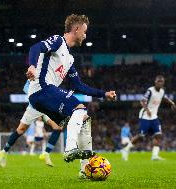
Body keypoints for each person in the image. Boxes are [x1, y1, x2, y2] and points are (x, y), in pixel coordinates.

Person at [25, 14, 116, 165]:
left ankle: (85, 168)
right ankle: (70, 149)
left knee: (84, 118)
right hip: (41, 89)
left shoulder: (69, 58)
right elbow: (36, 47)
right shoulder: (58, 41)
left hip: (44, 95)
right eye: (84, 31)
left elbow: (78, 86)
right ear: (76, 29)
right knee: (79, 108)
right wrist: (32, 66)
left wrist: (104, 94)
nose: (85, 36)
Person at [0, 80, 63, 168]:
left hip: (45, 107)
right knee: (20, 130)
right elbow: (25, 88)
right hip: (34, 107)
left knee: (58, 127)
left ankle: (46, 153)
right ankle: (4, 151)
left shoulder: (50, 74)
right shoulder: (35, 72)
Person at [130, 75, 176, 160]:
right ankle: (126, 149)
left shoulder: (162, 91)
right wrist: (147, 109)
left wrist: (172, 103)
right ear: (155, 82)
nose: (160, 83)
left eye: (161, 81)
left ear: (163, 83)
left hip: (154, 116)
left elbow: (165, 98)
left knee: (158, 135)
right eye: (158, 81)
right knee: (141, 136)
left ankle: (154, 156)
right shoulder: (150, 90)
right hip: (145, 115)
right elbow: (142, 101)